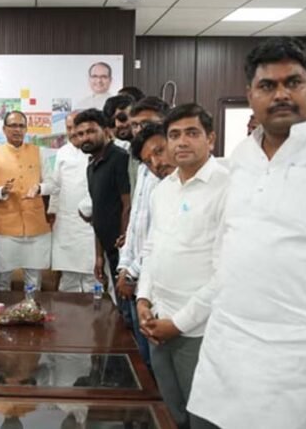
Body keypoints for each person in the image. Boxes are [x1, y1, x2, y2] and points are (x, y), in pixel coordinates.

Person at [188, 37, 306, 429]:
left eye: (293, 82)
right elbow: (226, 246)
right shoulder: (242, 157)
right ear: (250, 94)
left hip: (305, 361)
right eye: (268, 86)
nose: (281, 95)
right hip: (228, 349)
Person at [135, 104, 229, 429]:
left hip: (200, 329)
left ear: (210, 139)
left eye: (192, 133)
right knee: (173, 413)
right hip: (158, 321)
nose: (182, 142)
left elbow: (227, 272)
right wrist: (143, 299)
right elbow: (152, 248)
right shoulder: (163, 189)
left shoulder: (228, 186)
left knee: (205, 418)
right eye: (174, 135)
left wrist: (179, 323)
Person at [115, 97, 172, 370]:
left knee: (157, 361)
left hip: (154, 280)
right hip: (136, 277)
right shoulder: (144, 168)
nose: (139, 130)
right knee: (142, 356)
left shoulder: (169, 173)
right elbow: (135, 223)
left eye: (146, 124)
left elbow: (158, 235)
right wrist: (124, 266)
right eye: (135, 125)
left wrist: (133, 271)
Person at [0, 111, 52, 291]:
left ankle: (32, 308)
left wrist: (40, 188)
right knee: (1, 282)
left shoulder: (38, 152)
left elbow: (52, 184)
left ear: (26, 129)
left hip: (35, 227)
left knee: (34, 282)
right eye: (13, 126)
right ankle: (1, 309)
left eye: (21, 126)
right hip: (4, 228)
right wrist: (1, 191)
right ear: (4, 129)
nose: (17, 130)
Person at [74, 109, 131, 292]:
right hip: (108, 250)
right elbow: (97, 213)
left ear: (106, 131)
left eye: (91, 131)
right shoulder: (92, 166)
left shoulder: (120, 158)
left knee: (128, 304)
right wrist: (99, 256)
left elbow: (128, 205)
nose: (85, 138)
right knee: (118, 304)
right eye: (80, 134)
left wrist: (125, 251)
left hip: (125, 252)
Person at [43, 111, 95, 292]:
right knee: (68, 278)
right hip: (66, 222)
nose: (72, 132)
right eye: (69, 128)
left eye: (76, 127)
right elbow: (56, 185)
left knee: (91, 277)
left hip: (90, 224)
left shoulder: (95, 150)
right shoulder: (63, 152)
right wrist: (52, 210)